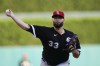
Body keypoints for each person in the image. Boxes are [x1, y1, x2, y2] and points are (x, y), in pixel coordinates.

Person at [5, 9, 81, 66]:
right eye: (55, 18)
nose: (57, 20)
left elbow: (76, 56)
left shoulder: (71, 36)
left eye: (59, 18)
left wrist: (73, 50)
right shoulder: (46, 31)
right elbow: (26, 27)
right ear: (52, 19)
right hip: (46, 62)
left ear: (63, 19)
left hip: (62, 63)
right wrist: (12, 15)